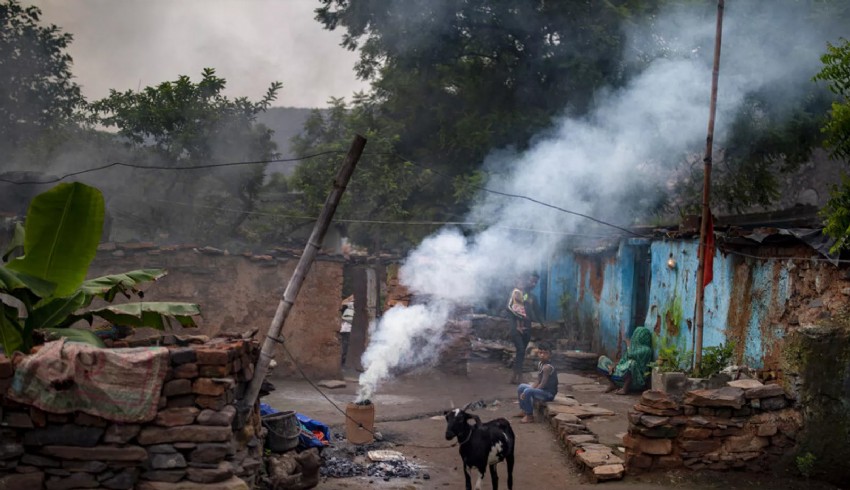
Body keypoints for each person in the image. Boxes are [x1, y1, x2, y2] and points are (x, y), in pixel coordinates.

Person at [507, 272, 542, 384]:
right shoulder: (515, 294)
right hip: (515, 328)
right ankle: (519, 376)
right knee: (521, 350)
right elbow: (510, 308)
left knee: (521, 352)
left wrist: (543, 323)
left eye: (535, 282)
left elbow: (537, 312)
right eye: (532, 281)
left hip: (527, 327)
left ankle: (515, 376)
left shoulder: (532, 297)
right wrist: (519, 320)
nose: (533, 283)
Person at [597, 326, 653, 394]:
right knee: (602, 359)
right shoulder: (632, 348)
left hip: (636, 381)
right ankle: (613, 384)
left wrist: (628, 344)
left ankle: (625, 389)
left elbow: (631, 355)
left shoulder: (646, 350)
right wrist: (614, 365)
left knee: (632, 364)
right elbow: (623, 360)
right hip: (621, 375)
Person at [515, 342, 558, 424]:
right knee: (521, 387)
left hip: (548, 394)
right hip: (542, 390)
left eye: (545, 353)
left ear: (550, 354)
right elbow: (538, 380)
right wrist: (530, 388)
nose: (542, 355)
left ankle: (529, 416)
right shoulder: (540, 364)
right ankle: (524, 410)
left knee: (527, 391)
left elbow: (542, 384)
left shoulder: (547, 367)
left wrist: (529, 390)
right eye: (540, 352)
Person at [339, 297, 355, 366]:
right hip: (346, 329)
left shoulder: (351, 309)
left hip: (347, 329)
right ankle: (342, 360)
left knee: (345, 346)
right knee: (344, 345)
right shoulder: (349, 307)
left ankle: (343, 360)